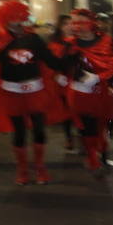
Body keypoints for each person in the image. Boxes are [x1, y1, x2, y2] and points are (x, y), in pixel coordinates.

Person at [0, 0, 67, 185]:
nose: (17, 23)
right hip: (12, 92)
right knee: (20, 132)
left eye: (19, 19)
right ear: (5, 21)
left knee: (39, 129)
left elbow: (50, 61)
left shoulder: (33, 39)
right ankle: (22, 169)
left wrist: (67, 59)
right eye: (12, 20)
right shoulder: (0, 42)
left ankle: (40, 167)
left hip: (35, 90)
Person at [66, 8, 113, 176]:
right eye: (74, 23)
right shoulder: (70, 44)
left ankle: (101, 153)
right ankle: (93, 158)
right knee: (86, 127)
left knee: (102, 125)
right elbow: (62, 64)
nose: (77, 27)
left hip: (100, 92)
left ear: (92, 24)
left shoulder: (106, 43)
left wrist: (97, 78)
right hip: (78, 94)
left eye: (81, 23)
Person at [46, 15, 76, 154]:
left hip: (78, 79)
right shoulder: (54, 44)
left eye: (71, 23)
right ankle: (68, 137)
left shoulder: (79, 41)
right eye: (65, 24)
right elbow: (49, 63)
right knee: (66, 110)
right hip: (63, 81)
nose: (69, 26)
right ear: (60, 26)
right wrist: (56, 75)